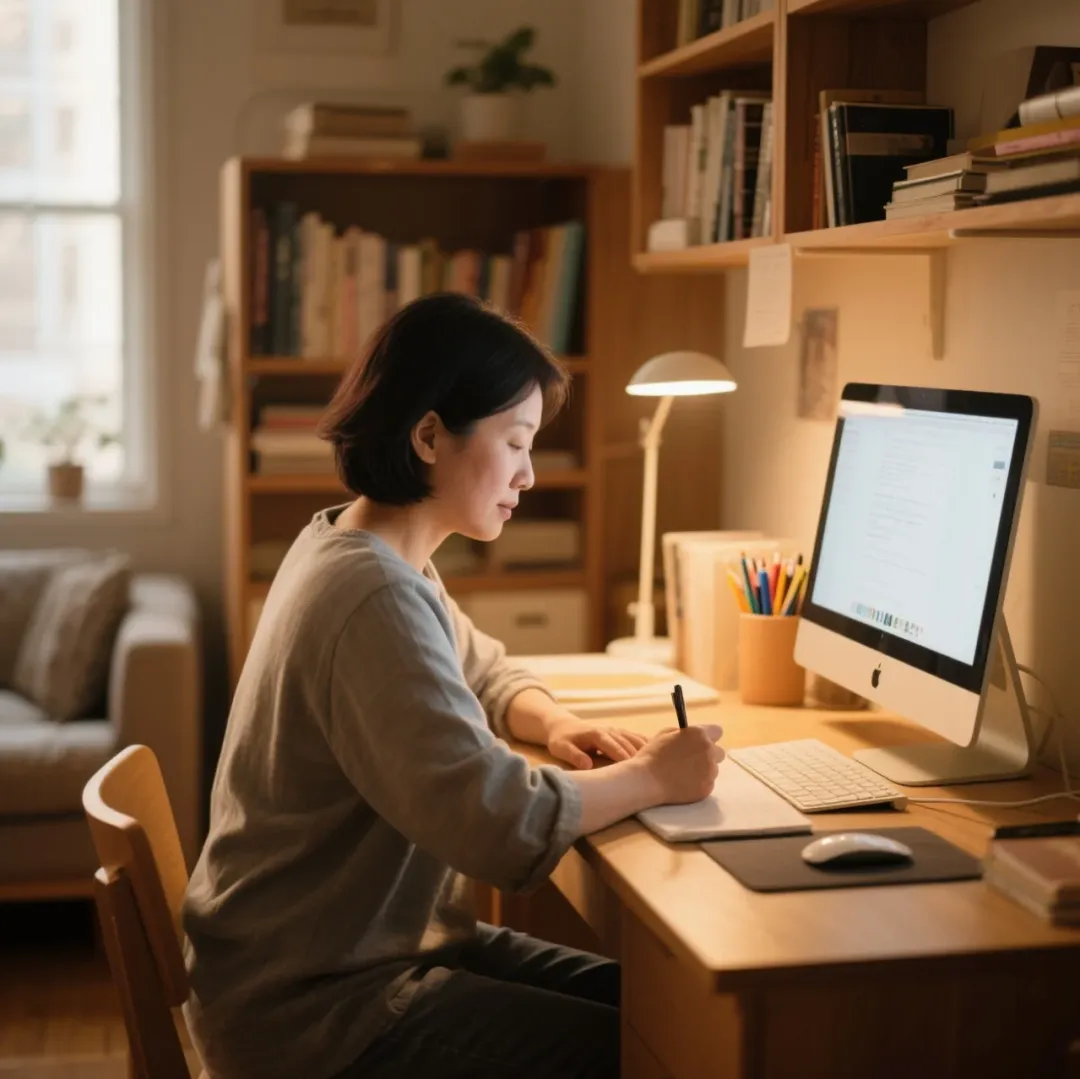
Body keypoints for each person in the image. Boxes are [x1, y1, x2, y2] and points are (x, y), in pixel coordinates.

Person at [182, 293, 724, 1079]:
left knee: (669, 1015)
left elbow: (486, 667)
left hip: (347, 952)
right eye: (514, 443)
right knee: (669, 1048)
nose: (529, 474)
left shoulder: (356, 545)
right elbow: (496, 821)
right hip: (316, 1010)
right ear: (430, 434)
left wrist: (555, 720)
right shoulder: (372, 593)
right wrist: (649, 777)